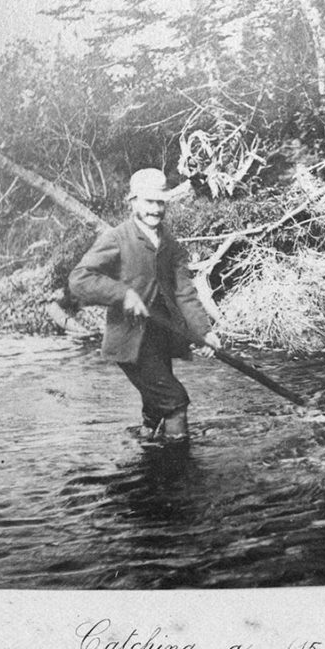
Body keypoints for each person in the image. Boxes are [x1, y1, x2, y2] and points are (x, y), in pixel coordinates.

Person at [69, 168, 221, 444]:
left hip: (160, 338)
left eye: (160, 202)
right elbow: (79, 279)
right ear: (133, 202)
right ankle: (179, 468)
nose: (155, 209)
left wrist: (204, 332)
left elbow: (183, 291)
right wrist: (123, 294)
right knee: (174, 401)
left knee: (156, 405)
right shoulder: (116, 238)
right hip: (130, 342)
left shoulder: (170, 243)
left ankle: (150, 454)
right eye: (149, 202)